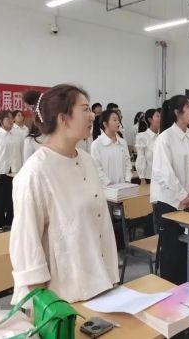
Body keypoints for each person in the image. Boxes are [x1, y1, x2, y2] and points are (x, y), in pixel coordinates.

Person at [10, 84, 118, 305]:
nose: (92, 116)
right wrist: (47, 307)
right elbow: (27, 248)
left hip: (99, 285)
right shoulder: (35, 173)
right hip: (62, 298)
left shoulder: (87, 160)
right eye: (85, 109)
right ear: (63, 118)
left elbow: (99, 224)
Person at [151, 95, 189, 285]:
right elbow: (164, 173)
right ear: (177, 112)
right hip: (169, 202)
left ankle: (185, 289)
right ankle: (170, 293)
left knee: (185, 248)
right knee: (172, 251)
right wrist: (183, 195)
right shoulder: (165, 138)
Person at [0, 110, 24, 233]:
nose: (10, 120)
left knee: (13, 199)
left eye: (11, 118)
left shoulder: (19, 135)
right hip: (1, 171)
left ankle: (10, 222)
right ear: (0, 121)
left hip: (16, 171)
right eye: (7, 118)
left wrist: (24, 169)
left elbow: (22, 152)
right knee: (0, 200)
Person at [91, 109, 132, 187]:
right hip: (106, 189)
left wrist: (127, 180)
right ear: (105, 124)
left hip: (124, 187)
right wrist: (109, 184)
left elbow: (128, 163)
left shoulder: (122, 142)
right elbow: (97, 168)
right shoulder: (97, 144)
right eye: (114, 120)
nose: (118, 122)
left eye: (118, 120)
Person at [135, 108, 161, 185]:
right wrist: (142, 178)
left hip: (162, 177)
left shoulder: (162, 137)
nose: (160, 119)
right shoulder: (142, 137)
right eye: (158, 116)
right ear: (150, 120)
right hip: (149, 178)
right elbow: (141, 158)